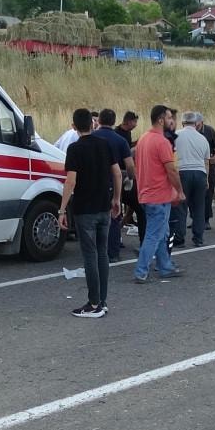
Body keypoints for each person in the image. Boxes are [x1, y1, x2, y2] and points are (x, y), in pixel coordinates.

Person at [58, 108, 122, 318]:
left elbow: (71, 181)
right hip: (104, 206)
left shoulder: (75, 149)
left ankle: (93, 303)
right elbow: (117, 173)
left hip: (85, 208)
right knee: (102, 253)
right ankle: (102, 300)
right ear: (92, 124)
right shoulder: (105, 144)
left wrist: (61, 210)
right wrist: (116, 199)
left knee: (89, 255)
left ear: (74, 126)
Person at [133, 105, 185, 283]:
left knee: (162, 232)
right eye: (169, 117)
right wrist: (180, 191)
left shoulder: (143, 139)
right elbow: (171, 170)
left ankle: (165, 266)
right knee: (154, 234)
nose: (172, 121)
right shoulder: (162, 142)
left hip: (147, 193)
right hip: (159, 195)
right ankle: (141, 270)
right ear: (161, 120)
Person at [92, 108, 133, 261]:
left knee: (93, 216)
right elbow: (130, 165)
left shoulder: (91, 137)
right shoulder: (120, 140)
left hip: (92, 182)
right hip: (112, 182)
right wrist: (130, 178)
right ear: (114, 122)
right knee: (114, 215)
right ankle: (113, 252)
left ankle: (95, 251)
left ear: (99, 121)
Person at [174, 111, 210, 248]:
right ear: (196, 123)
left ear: (182, 122)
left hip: (182, 172)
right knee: (199, 207)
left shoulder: (176, 135)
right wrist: (207, 178)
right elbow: (206, 161)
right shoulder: (203, 138)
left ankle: (179, 238)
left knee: (181, 207)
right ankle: (198, 238)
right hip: (200, 173)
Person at [115, 111, 146, 240]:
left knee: (133, 205)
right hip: (121, 173)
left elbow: (127, 147)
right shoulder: (118, 133)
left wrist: (135, 143)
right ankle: (117, 236)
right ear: (128, 121)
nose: (136, 125)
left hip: (125, 173)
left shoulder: (127, 133)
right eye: (134, 122)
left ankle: (120, 231)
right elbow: (125, 152)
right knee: (123, 205)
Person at [197, 115, 215, 231]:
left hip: (209, 165)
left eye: (197, 123)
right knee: (195, 193)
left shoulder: (210, 131)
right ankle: (196, 218)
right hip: (196, 164)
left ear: (202, 121)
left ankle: (206, 219)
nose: (195, 125)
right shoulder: (191, 131)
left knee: (208, 192)